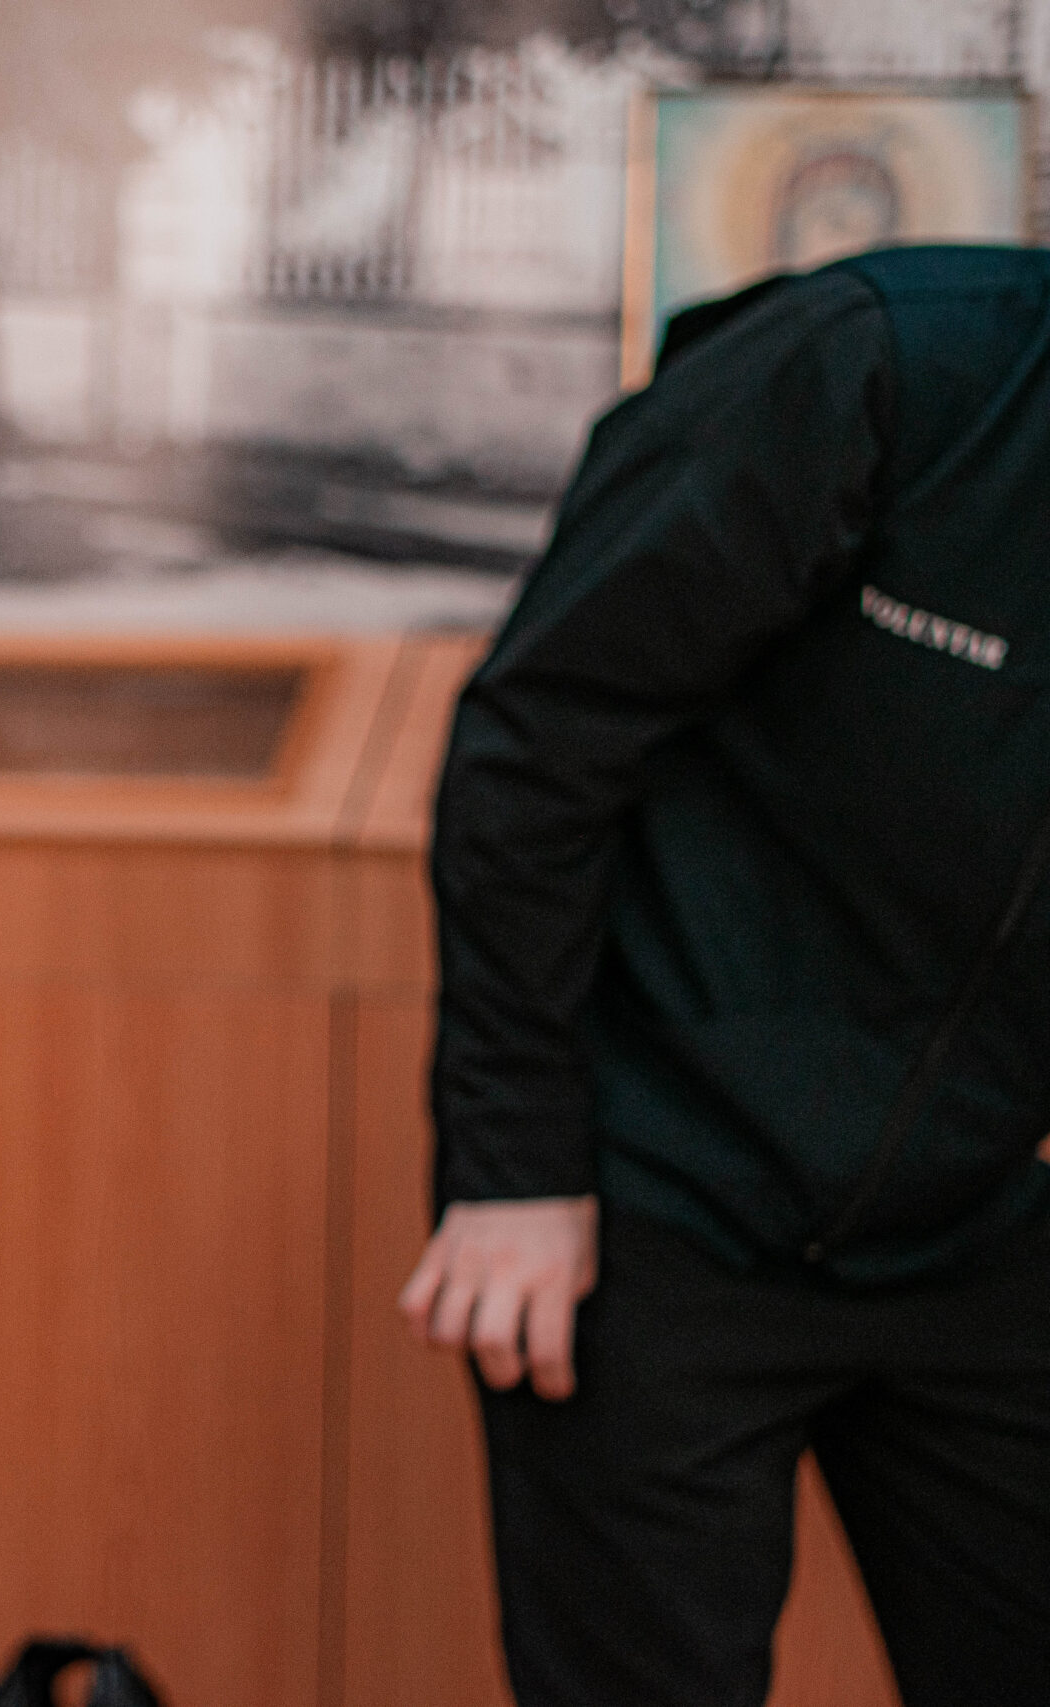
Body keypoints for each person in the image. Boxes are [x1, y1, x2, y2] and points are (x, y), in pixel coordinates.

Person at [400, 246, 1050, 1707]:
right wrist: (515, 1168)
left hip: (993, 1221)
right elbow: (535, 746)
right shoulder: (869, 366)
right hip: (656, 1195)